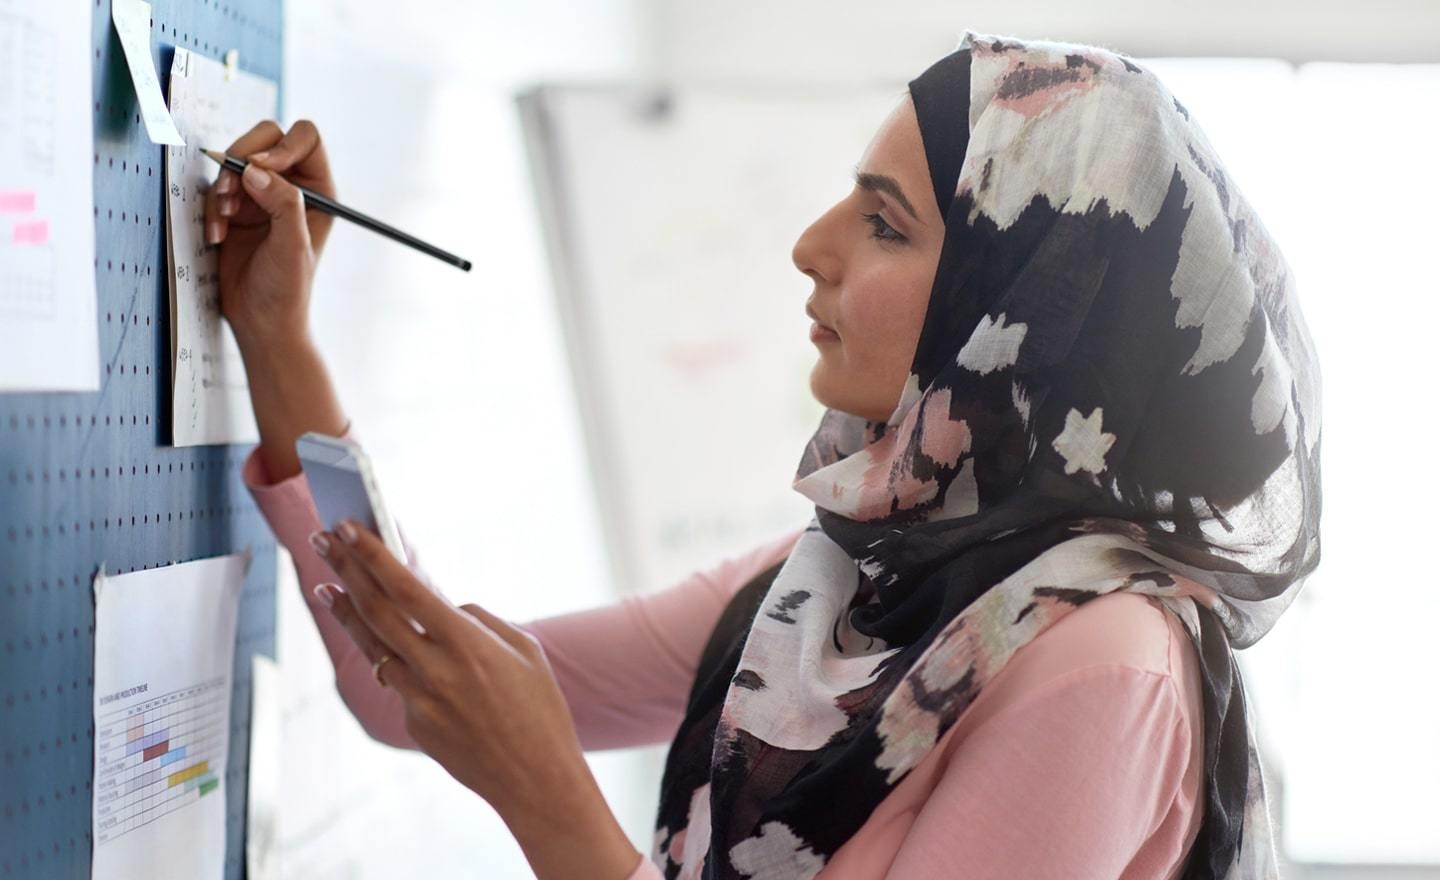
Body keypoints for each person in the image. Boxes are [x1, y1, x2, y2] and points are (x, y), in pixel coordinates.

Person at [211, 29, 1320, 880]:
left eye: (885, 224)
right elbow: (401, 679)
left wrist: (548, 797)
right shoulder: (833, 590)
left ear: (1024, 312)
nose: (811, 247)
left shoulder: (1107, 661)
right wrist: (278, 339)